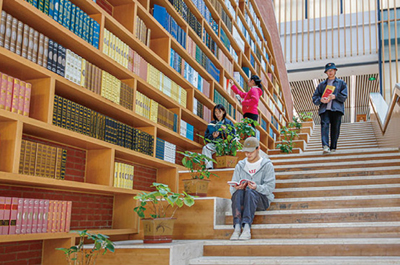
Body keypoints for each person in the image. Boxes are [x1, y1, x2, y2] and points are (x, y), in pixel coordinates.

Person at [229, 137, 275, 240]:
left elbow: (270, 188)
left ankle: (246, 228)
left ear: (258, 148)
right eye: (246, 152)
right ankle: (236, 228)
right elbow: (232, 190)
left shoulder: (267, 165)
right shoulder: (240, 165)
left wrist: (257, 187)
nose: (248, 154)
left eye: (251, 152)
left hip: (261, 201)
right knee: (239, 192)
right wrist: (237, 188)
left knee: (250, 191)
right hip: (243, 200)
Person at [312, 63, 348, 154]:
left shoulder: (341, 83)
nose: (330, 72)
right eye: (328, 71)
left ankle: (333, 146)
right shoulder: (321, 85)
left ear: (335, 71)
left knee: (335, 128)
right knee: (324, 126)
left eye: (332, 70)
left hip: (337, 109)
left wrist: (335, 96)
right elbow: (314, 98)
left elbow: (344, 97)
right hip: (325, 110)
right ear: (326, 72)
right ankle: (325, 146)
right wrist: (321, 100)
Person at [202, 104, 235, 169]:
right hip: (215, 144)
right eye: (216, 112)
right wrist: (213, 136)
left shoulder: (229, 123)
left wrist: (226, 130)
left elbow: (233, 135)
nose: (218, 114)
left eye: (219, 112)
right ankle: (209, 168)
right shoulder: (211, 124)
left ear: (223, 112)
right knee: (205, 148)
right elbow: (206, 137)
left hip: (225, 144)